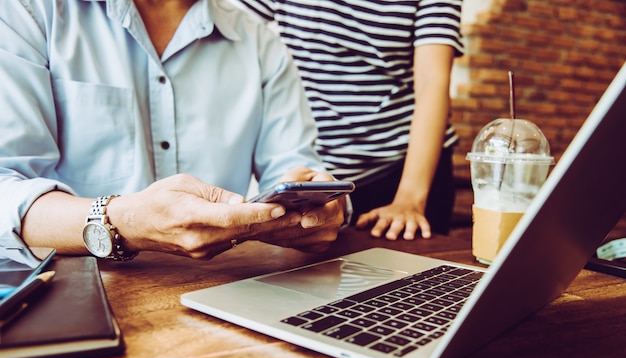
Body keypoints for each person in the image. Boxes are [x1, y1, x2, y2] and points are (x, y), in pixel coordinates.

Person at [0, 0, 347, 263]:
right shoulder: (26, 13)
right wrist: (127, 221)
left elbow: (295, 167)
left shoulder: (259, 41)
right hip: (69, 289)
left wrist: (321, 208)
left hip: (222, 289)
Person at [235, 0, 464, 240]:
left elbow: (432, 83)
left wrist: (409, 200)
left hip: (404, 172)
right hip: (316, 174)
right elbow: (225, 26)